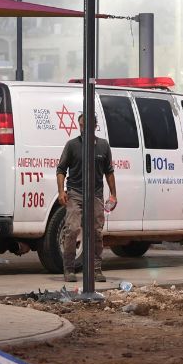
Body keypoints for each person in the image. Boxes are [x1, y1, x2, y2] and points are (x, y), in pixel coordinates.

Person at [55, 112, 117, 283]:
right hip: (75, 193)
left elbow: (109, 172)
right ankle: (68, 269)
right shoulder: (72, 145)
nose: (84, 128)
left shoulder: (103, 146)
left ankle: (96, 269)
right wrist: (61, 192)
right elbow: (61, 170)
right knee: (72, 229)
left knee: (96, 232)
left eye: (87, 125)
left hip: (95, 194)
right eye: (82, 125)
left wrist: (113, 194)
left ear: (95, 126)